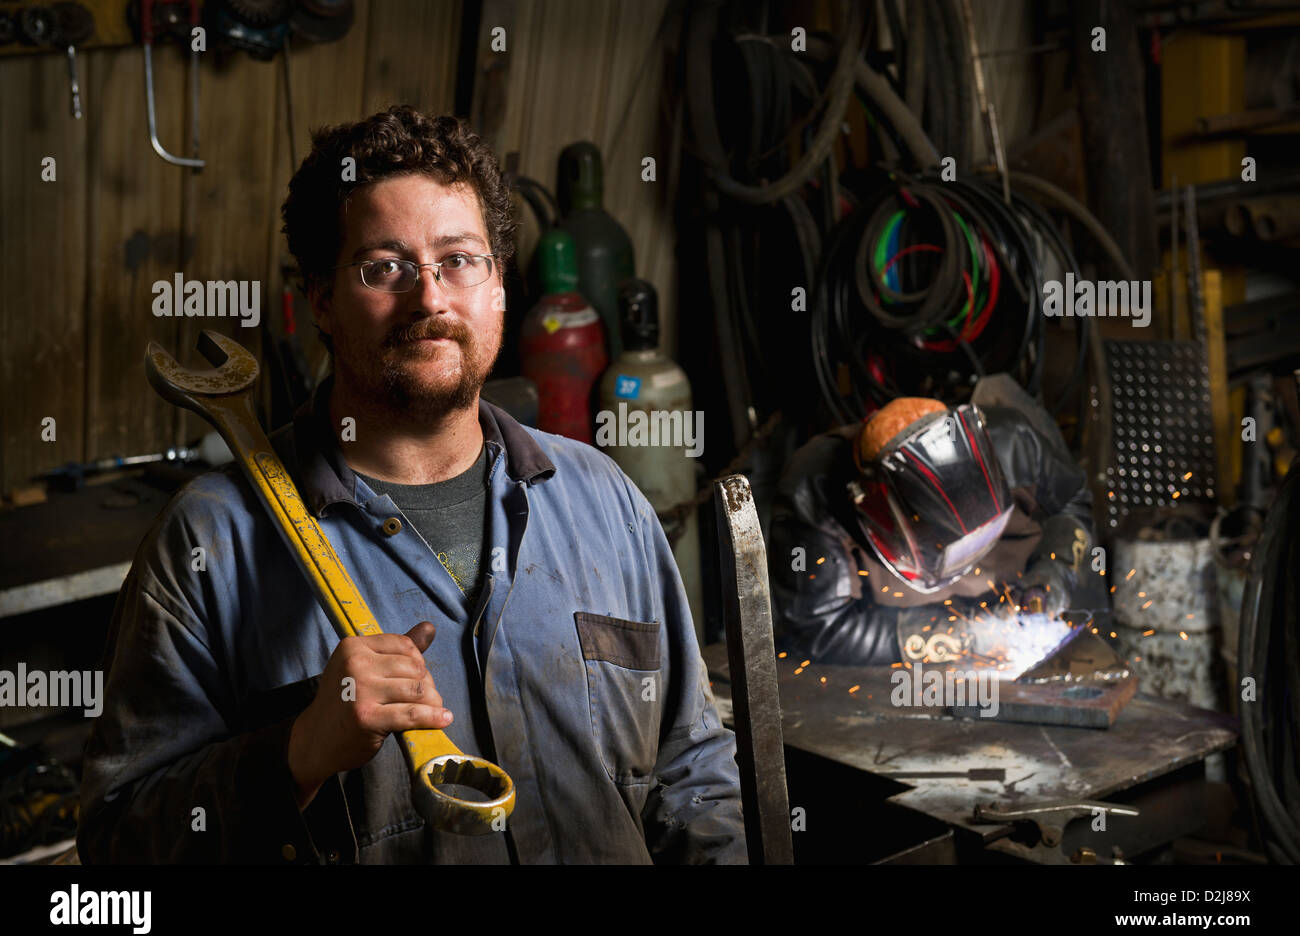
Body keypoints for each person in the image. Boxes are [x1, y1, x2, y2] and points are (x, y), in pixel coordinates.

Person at [77, 106, 745, 865]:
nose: (430, 298)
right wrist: (296, 754)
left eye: (460, 260)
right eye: (384, 267)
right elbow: (118, 849)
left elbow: (694, 771)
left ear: (498, 285)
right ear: (321, 298)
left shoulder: (605, 502)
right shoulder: (208, 544)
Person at [769, 376, 1096, 666]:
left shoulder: (1015, 443)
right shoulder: (811, 493)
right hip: (900, 668)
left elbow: (1072, 503)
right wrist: (965, 634)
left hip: (1023, 612)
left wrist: (1054, 571)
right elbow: (819, 630)